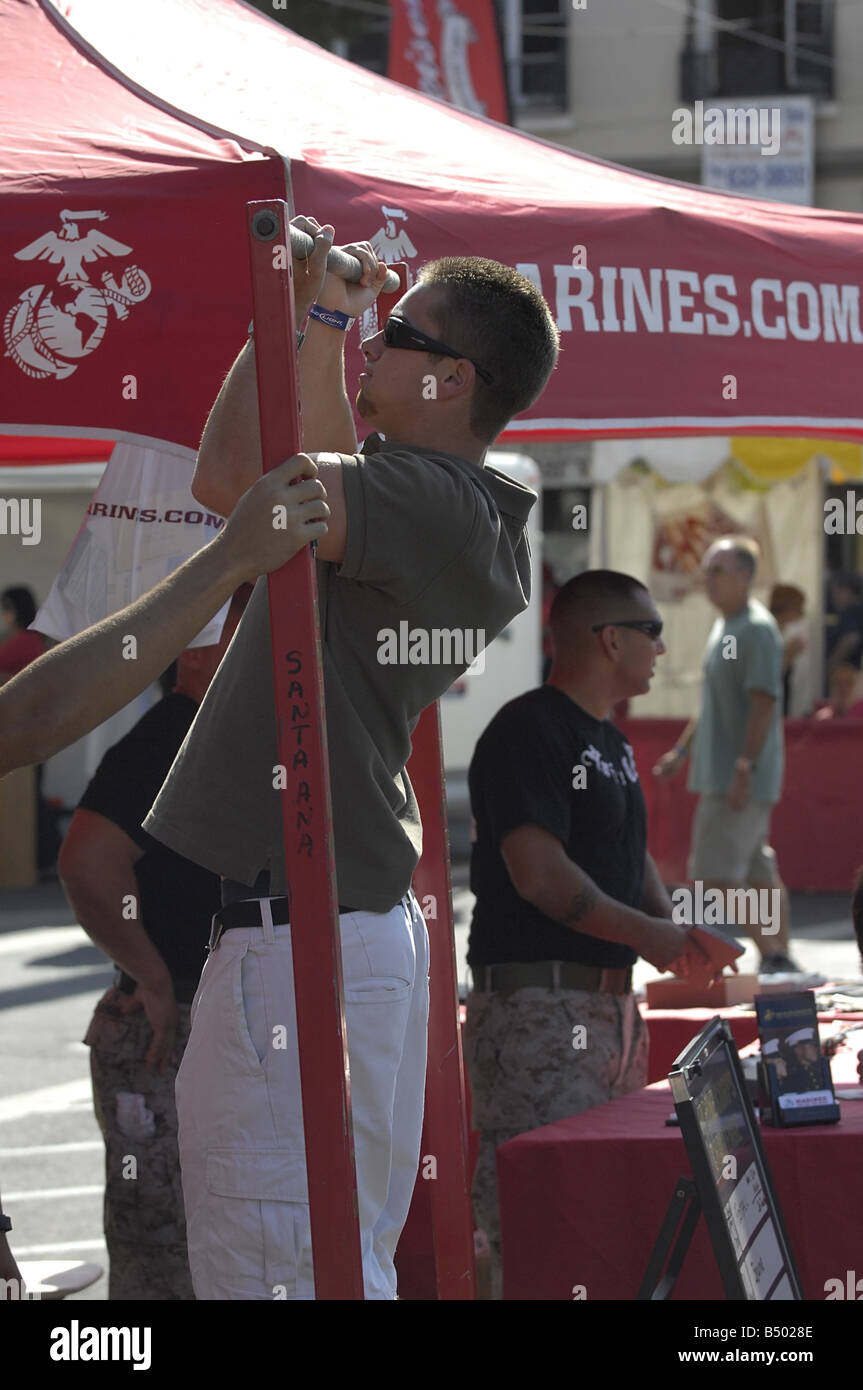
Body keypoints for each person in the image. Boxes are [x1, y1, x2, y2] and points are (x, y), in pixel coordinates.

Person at [143, 229, 561, 1299]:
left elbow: (241, 477)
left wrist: (312, 312)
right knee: (325, 1266)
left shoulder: (430, 501)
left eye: (395, 333)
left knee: (281, 1275)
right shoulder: (423, 493)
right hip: (320, 925)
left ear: (449, 378)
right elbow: (265, 466)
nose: (372, 343)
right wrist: (311, 317)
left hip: (307, 932)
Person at [463, 569, 712, 1299]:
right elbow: (540, 875)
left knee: (598, 1219)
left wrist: (674, 931)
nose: (662, 649)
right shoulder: (530, 728)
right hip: (539, 1011)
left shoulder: (609, 739)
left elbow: (625, 855)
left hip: (605, 1013)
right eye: (653, 631)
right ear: (610, 640)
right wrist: (654, 938)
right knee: (544, 1226)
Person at [58, 587, 250, 1300]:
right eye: (247, 622)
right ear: (199, 648)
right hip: (169, 1029)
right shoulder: (174, 732)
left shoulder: (217, 735)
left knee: (213, 1243)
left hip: (210, 1024)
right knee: (168, 1255)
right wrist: (154, 976)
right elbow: (87, 860)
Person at [0, 452, 328, 781]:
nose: (262, 634)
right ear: (193, 653)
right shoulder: (170, 736)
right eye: (239, 610)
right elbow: (27, 720)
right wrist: (230, 557)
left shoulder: (243, 729)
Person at [655, 537, 800, 974]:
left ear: (744, 576)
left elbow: (764, 702)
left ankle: (772, 955)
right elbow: (713, 704)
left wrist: (743, 768)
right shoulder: (726, 626)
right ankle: (782, 956)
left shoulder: (755, 628)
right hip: (726, 772)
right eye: (707, 570)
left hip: (737, 776)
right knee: (757, 870)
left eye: (717, 570)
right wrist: (682, 750)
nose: (707, 580)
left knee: (716, 876)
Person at [768, 583, 810, 717]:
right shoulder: (765, 633)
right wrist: (788, 655)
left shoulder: (787, 632)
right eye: (799, 609)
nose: (801, 614)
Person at [0, 587, 46, 684]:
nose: (3, 613)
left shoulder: (27, 639)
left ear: (19, 608)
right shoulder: (35, 636)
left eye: (7, 607)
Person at [826, 572, 863, 673]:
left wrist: (832, 663)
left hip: (845, 674)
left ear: (847, 591)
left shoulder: (852, 610)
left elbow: (850, 640)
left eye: (836, 592)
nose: (834, 597)